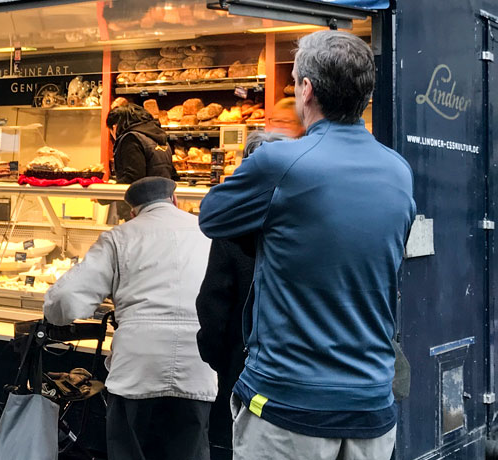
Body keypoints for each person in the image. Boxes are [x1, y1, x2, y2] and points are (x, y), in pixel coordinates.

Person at [198, 30, 416, 460]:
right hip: (373, 407)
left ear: (307, 89)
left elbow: (212, 216)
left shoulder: (279, 163)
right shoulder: (399, 170)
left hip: (288, 406)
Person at [44, 176, 217, 460]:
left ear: (134, 211)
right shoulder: (206, 232)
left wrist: (52, 315)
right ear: (174, 201)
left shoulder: (120, 236)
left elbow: (65, 300)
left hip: (138, 366)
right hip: (196, 364)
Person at [194, 131, 290, 458]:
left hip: (243, 373)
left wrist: (223, 361)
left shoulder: (232, 228)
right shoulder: (307, 224)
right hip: (297, 380)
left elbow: (213, 307)